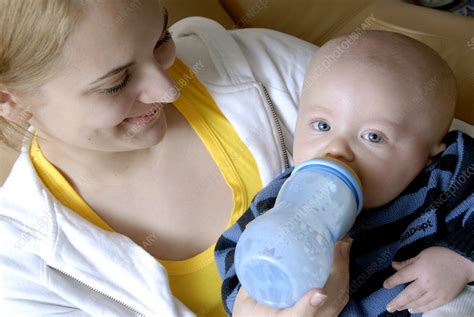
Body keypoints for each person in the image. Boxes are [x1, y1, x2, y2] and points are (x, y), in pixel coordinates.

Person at [0, 0, 352, 316]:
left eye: (160, 41)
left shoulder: (260, 67)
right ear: (9, 100)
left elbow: (404, 127)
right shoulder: (24, 270)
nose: (167, 90)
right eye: (117, 83)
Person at [215, 31, 474, 316]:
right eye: (322, 126)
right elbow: (231, 250)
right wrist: (249, 300)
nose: (337, 149)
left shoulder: (445, 176)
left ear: (429, 154)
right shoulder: (280, 202)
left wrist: (460, 259)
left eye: (373, 136)